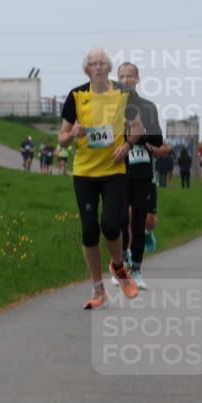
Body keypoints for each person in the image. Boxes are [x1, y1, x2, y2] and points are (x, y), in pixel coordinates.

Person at [58, 48, 138, 309]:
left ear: (109, 67)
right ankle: (98, 288)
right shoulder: (76, 95)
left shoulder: (124, 94)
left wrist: (126, 146)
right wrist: (73, 134)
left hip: (114, 170)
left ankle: (118, 265)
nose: (99, 67)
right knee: (90, 230)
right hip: (84, 172)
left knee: (111, 226)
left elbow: (138, 128)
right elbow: (62, 137)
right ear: (87, 70)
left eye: (103, 63)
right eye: (93, 63)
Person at [115, 62, 167, 290]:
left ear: (138, 79)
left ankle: (136, 269)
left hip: (142, 171)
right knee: (119, 220)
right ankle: (121, 264)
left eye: (129, 76)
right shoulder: (110, 105)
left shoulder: (147, 106)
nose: (125, 80)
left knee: (138, 222)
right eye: (121, 76)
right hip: (117, 170)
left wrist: (140, 134)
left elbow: (157, 139)